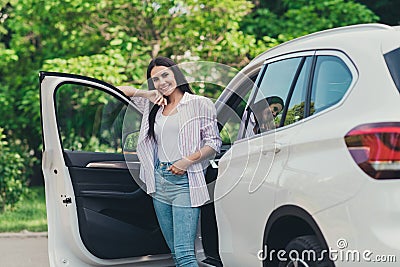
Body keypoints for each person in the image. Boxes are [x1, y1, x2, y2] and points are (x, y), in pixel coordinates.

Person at [118, 56, 222, 267]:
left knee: (185, 255)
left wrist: (186, 161)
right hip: (159, 182)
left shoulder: (200, 104)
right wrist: (147, 93)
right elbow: (118, 90)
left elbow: (214, 144)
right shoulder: (153, 104)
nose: (161, 82)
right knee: (175, 254)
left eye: (165, 75)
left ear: (176, 74)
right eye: (155, 79)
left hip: (185, 182)